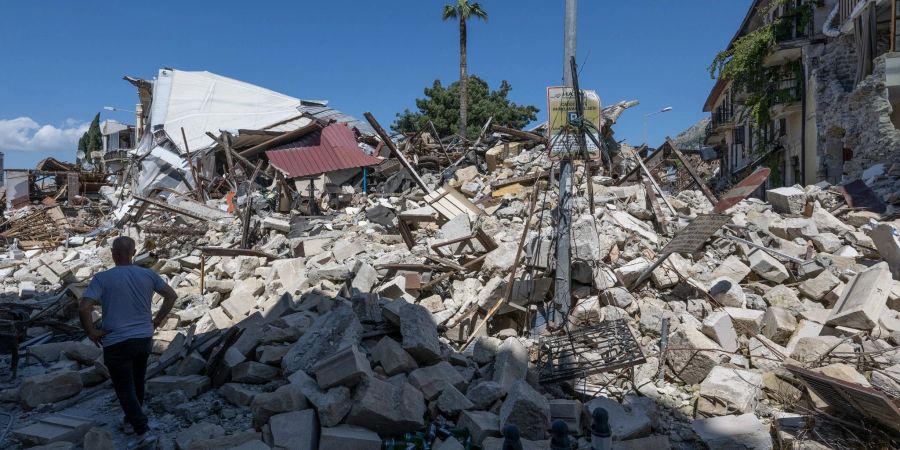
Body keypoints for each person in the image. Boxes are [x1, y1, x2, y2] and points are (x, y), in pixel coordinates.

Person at [79, 236, 177, 448]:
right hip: (143, 338)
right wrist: (158, 320)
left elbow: (84, 307)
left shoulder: (102, 278)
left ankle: (143, 430)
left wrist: (92, 332)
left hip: (116, 342)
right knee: (137, 381)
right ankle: (131, 421)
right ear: (133, 253)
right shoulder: (148, 274)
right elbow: (171, 295)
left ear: (113, 254)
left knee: (124, 387)